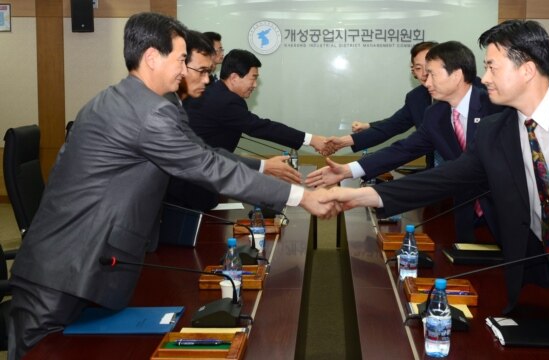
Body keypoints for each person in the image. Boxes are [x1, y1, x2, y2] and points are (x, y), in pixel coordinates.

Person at [7, 12, 339, 359]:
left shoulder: (152, 103)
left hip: (88, 264)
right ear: (152, 57)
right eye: (182, 59)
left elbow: (203, 153)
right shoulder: (147, 112)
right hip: (63, 270)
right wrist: (300, 197)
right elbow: (207, 166)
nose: (186, 69)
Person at [322, 20, 549, 342]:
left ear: (527, 69)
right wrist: (363, 196)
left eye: (492, 66)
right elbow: (444, 179)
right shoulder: (494, 131)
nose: (484, 77)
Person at [307, 41, 504, 243]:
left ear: (456, 75)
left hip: (505, 210)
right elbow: (403, 149)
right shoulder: (436, 114)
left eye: (432, 74)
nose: (426, 82)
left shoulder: (496, 107)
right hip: (463, 208)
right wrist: (348, 170)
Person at [166, 30, 300, 210]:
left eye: (209, 71)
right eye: (202, 71)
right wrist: (266, 168)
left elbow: (205, 152)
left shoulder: (181, 105)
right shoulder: (160, 109)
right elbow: (203, 157)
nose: (207, 80)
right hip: (178, 199)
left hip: (197, 191)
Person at [185, 49, 332, 156]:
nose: (255, 85)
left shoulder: (216, 92)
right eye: (253, 78)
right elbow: (262, 127)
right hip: (192, 182)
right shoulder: (226, 101)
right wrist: (311, 140)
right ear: (235, 77)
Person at [326, 41, 438, 156]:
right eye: (419, 68)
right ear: (413, 71)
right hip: (435, 170)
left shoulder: (454, 98)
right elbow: (392, 125)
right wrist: (343, 142)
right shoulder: (416, 97)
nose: (424, 73)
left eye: (429, 67)